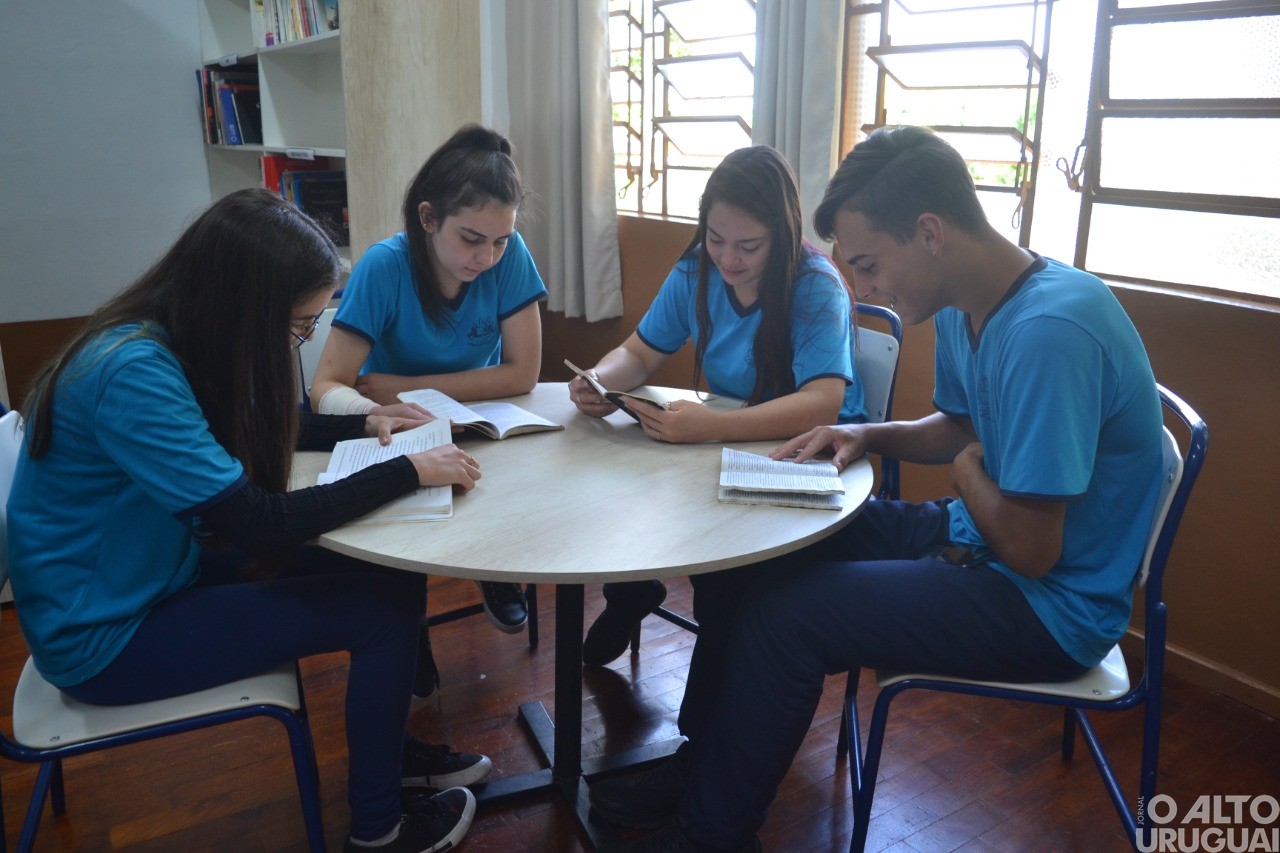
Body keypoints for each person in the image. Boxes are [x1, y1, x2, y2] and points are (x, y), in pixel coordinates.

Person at [593, 126, 1166, 852]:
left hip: (1050, 604)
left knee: (791, 618)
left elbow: (1030, 547)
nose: (861, 290)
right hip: (975, 536)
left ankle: (712, 831)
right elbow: (959, 423)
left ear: (929, 231)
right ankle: (700, 763)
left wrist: (965, 472)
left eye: (866, 265)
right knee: (747, 552)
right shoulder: (971, 306)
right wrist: (871, 434)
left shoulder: (1050, 329)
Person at [8, 188, 494, 853]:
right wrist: (407, 470)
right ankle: (381, 830)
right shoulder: (131, 375)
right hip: (103, 634)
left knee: (387, 567)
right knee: (379, 608)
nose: (300, 341)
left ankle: (388, 757)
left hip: (148, 570)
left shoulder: (163, 335)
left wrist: (362, 419)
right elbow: (259, 524)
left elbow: (235, 427)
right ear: (242, 308)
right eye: (298, 327)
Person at [568, 145, 868, 669]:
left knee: (725, 574)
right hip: (726, 439)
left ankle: (711, 707)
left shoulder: (815, 287)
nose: (728, 259)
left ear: (783, 232)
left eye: (748, 246)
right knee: (624, 485)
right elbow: (640, 352)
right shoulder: (696, 270)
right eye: (715, 239)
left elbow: (823, 403)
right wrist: (599, 378)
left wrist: (712, 427)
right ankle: (630, 594)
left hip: (808, 458)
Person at [310, 124, 546, 645]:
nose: (486, 258)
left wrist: (404, 385)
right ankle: (405, 630)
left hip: (477, 419)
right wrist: (387, 407)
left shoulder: (510, 256)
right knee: (398, 528)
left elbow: (523, 374)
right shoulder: (384, 266)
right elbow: (326, 386)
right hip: (403, 431)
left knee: (499, 482)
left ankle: (495, 571)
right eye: (471, 239)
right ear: (428, 218)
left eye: (500, 242)